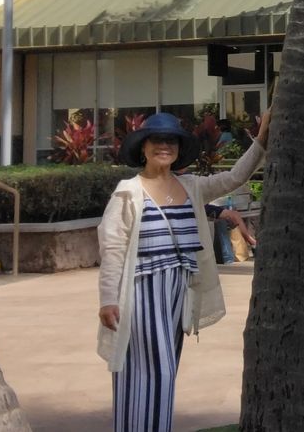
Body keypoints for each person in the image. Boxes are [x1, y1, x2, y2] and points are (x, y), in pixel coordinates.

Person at [97, 110, 269, 431]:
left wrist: (261, 141)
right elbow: (112, 248)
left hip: (178, 292)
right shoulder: (128, 191)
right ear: (143, 147)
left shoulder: (191, 187)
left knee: (157, 371)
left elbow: (234, 178)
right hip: (142, 292)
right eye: (157, 140)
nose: (165, 146)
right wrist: (108, 299)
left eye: (171, 141)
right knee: (158, 370)